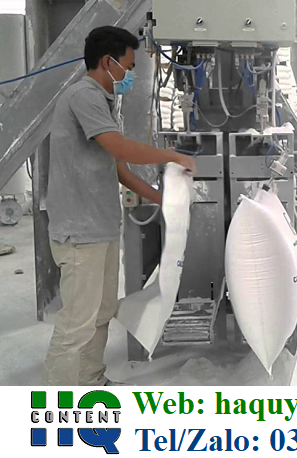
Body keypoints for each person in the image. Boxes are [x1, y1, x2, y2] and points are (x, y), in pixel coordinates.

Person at [44, 26, 195, 386]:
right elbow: (119, 147)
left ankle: (90, 381)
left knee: (101, 312)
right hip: (79, 231)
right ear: (107, 62)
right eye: (127, 66)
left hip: (101, 227)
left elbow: (120, 169)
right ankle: (57, 400)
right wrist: (172, 156)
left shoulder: (106, 103)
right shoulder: (83, 96)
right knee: (77, 322)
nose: (129, 75)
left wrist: (165, 201)